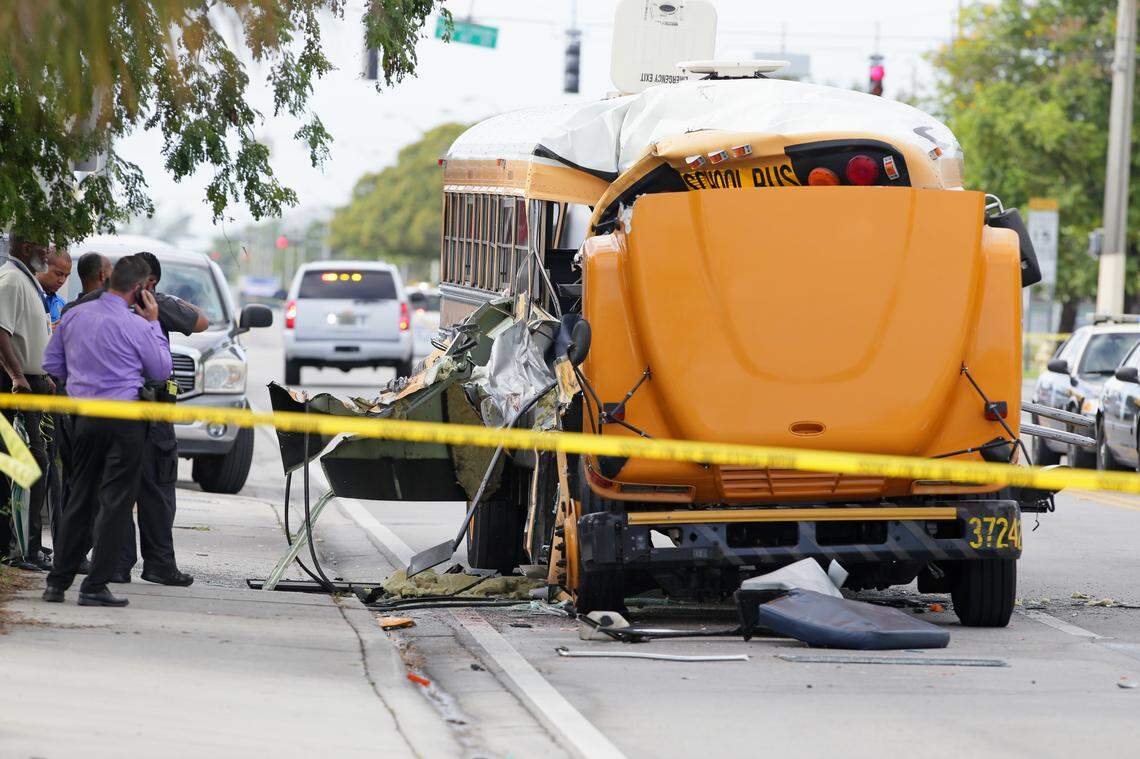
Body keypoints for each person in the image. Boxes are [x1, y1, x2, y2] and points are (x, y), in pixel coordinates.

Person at [41, 256, 172, 606]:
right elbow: (160, 369)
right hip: (124, 421)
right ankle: (95, 586)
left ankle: (57, 583)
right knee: (115, 503)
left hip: (84, 419)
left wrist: (82, 376)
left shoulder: (75, 315)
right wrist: (155, 323)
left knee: (79, 497)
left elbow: (51, 364)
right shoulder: (138, 325)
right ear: (140, 289)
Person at [116, 251, 204, 586]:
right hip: (151, 413)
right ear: (150, 282)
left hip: (111, 412)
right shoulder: (155, 305)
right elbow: (200, 322)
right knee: (157, 490)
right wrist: (161, 304)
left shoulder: (96, 304)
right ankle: (159, 565)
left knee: (116, 489)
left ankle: (116, 563)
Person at [0, 235, 56, 570]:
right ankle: (15, 547)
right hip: (14, 386)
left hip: (32, 383)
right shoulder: (10, 280)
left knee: (35, 465)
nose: (47, 253)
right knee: (24, 466)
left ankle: (28, 545)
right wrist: (19, 375)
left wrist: (41, 373)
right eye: (43, 247)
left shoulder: (25, 280)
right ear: (25, 248)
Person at [36, 249, 71, 330]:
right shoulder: (25, 295)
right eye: (58, 274)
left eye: (66, 276)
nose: (62, 281)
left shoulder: (62, 304)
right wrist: (46, 332)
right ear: (42, 266)